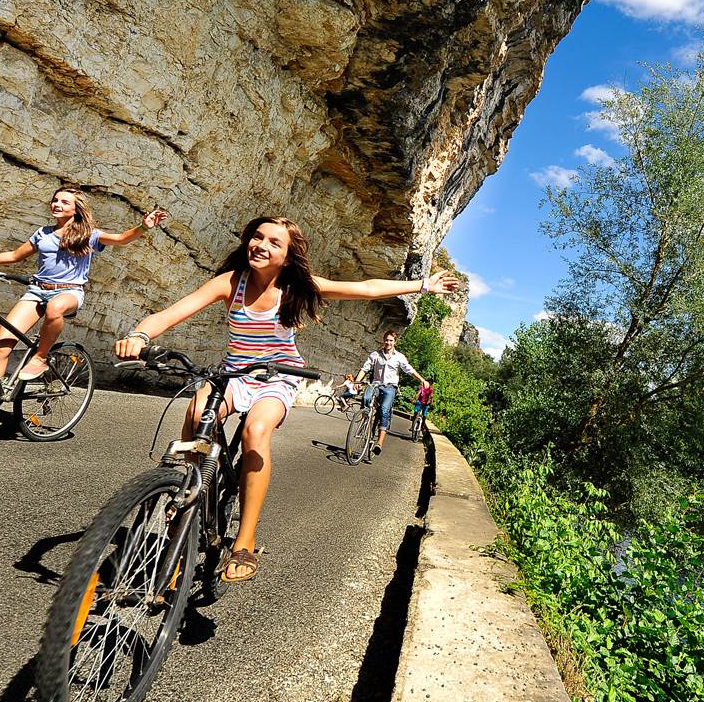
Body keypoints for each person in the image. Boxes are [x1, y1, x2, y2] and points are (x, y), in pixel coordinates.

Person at [114, 216, 457, 583]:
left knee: (255, 431)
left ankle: (244, 540)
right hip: (235, 374)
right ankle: (193, 491)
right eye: (256, 237)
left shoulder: (298, 287)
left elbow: (367, 288)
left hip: (278, 377)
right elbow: (169, 314)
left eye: (273, 242)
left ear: (289, 255)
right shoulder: (231, 282)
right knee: (198, 410)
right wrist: (139, 336)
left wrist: (423, 284)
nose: (260, 245)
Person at [0, 185, 168, 427]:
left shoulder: (89, 234)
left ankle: (40, 357)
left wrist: (144, 226)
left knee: (55, 308)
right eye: (55, 200)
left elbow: (122, 238)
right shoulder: (43, 233)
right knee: (0, 347)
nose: (57, 205)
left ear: (75, 210)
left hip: (69, 292)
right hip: (37, 291)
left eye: (64, 202)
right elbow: (14, 255)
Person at [356, 330, 425, 454]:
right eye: (386, 340)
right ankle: (364, 421)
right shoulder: (375, 355)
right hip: (376, 384)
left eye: (391, 340)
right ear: (384, 340)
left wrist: (422, 380)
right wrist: (356, 381)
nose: (388, 342)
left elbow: (409, 370)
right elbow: (364, 368)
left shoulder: (399, 357)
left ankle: (379, 443)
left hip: (390, 388)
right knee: (366, 397)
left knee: (384, 410)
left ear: (395, 342)